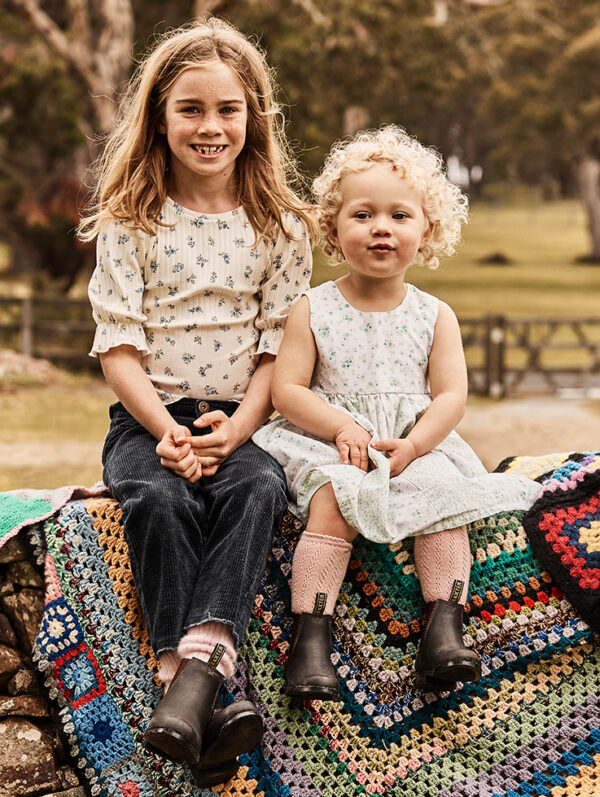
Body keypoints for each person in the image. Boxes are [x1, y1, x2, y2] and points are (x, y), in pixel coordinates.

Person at [79, 18, 314, 787]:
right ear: (158, 116)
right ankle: (204, 684)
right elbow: (118, 347)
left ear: (254, 117)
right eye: (190, 109)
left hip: (241, 414)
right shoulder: (131, 219)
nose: (211, 127)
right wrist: (166, 435)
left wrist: (239, 428)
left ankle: (188, 680)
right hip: (148, 415)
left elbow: (281, 345)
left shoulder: (279, 224)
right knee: (157, 496)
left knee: (259, 488)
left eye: (228, 109)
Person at [252, 125, 540, 699]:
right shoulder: (312, 308)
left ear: (427, 230)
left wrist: (415, 446)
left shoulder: (436, 315)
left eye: (400, 216)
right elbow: (286, 389)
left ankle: (444, 629)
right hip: (332, 441)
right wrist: (340, 426)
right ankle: (312, 639)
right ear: (334, 228)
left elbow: (451, 398)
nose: (381, 227)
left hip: (414, 443)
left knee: (444, 497)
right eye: (362, 215)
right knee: (334, 496)